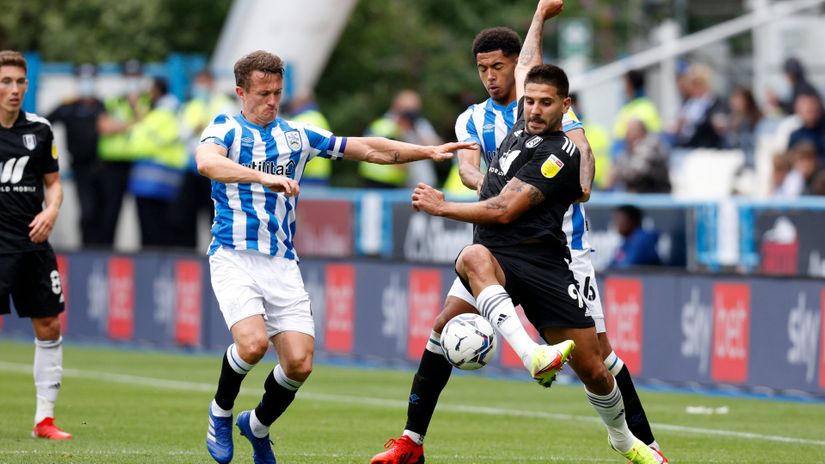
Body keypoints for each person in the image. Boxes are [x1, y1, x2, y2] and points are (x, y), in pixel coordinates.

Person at [371, 3, 665, 464]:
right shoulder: (476, 120)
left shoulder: (550, 109)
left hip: (562, 244)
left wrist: (544, 184)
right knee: (442, 326)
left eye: (498, 67)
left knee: (597, 356)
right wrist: (496, 185)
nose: (490, 76)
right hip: (498, 236)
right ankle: (412, 440)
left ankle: (642, 443)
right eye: (483, 69)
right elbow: (470, 173)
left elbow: (582, 159)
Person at [196, 50, 474, 464]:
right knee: (252, 345)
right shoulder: (225, 129)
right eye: (263, 93)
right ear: (241, 92)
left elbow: (368, 149)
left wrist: (425, 152)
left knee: (299, 365)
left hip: (281, 262)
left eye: (277, 92)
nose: (272, 101)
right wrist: (264, 176)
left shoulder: (297, 136)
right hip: (233, 255)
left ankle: (256, 426)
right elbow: (207, 163)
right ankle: (220, 412)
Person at [0, 50, 70, 440]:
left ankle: (44, 419)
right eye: (6, 81)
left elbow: (54, 183)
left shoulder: (40, 130)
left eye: (20, 82)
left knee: (48, 323)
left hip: (32, 242)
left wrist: (52, 211)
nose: (14, 89)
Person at [173, 69, 236, 249]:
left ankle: (218, 251)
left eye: (204, 83)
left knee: (215, 214)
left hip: (216, 170)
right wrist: (195, 128)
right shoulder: (191, 105)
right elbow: (182, 132)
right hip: (193, 168)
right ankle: (188, 253)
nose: (201, 87)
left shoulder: (224, 105)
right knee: (186, 216)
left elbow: (228, 132)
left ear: (212, 83)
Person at [46, 63, 106, 246]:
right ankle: (86, 249)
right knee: (87, 212)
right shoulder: (68, 107)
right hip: (81, 167)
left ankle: (101, 251)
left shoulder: (102, 106)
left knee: (103, 214)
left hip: (104, 168)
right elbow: (43, 125)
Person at [96, 59, 151, 246]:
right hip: (114, 162)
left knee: (146, 213)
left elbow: (155, 126)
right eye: (129, 76)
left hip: (141, 162)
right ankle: (105, 251)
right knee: (110, 211)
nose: (132, 80)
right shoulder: (113, 100)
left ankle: (147, 254)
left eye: (135, 76)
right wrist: (135, 123)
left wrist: (120, 126)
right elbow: (104, 127)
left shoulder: (149, 100)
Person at [126, 78, 186, 248]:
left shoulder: (159, 115)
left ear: (157, 90)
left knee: (151, 232)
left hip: (151, 183)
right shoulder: (175, 112)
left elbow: (135, 145)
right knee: (165, 230)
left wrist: (139, 119)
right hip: (168, 182)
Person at [359, 90, 441, 188]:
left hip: (400, 182)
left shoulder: (419, 125)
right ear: (397, 106)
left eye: (414, 110)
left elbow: (438, 147)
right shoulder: (385, 125)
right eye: (408, 109)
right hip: (377, 180)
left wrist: (418, 133)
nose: (411, 114)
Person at [608, 119, 671, 193]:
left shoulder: (651, 145)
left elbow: (635, 173)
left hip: (657, 196)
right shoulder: (630, 148)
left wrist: (617, 172)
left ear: (639, 132)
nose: (626, 135)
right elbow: (619, 161)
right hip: (640, 196)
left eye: (629, 131)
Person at [285, 91, 333, 186]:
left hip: (304, 173)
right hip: (322, 173)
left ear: (300, 103)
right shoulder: (320, 118)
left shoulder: (298, 121)